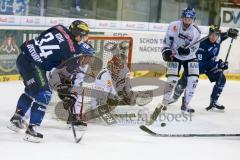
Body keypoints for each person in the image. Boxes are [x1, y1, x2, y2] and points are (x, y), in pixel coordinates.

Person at [7, 20, 93, 143]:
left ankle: (17, 119)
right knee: (45, 94)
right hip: (34, 64)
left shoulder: (59, 27)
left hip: (23, 57)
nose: (83, 38)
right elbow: (57, 74)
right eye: (83, 36)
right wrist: (67, 93)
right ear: (77, 34)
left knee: (31, 91)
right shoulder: (72, 52)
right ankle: (31, 130)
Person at [168, 25, 239, 111]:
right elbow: (202, 64)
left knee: (221, 79)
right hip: (197, 66)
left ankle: (213, 102)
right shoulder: (202, 45)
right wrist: (218, 64)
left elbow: (222, 36)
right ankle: (175, 97)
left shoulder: (218, 39)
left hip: (210, 66)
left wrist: (228, 33)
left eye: (216, 35)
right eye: (212, 34)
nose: (213, 37)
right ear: (209, 34)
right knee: (185, 81)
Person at [161, 7, 201, 113]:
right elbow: (166, 41)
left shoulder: (196, 31)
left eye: (190, 19)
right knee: (171, 80)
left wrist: (188, 51)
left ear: (193, 19)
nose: (187, 21)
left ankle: (185, 105)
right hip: (175, 55)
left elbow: (195, 47)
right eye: (186, 18)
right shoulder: (173, 26)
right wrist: (166, 51)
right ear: (182, 18)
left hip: (190, 57)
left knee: (193, 80)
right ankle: (164, 103)